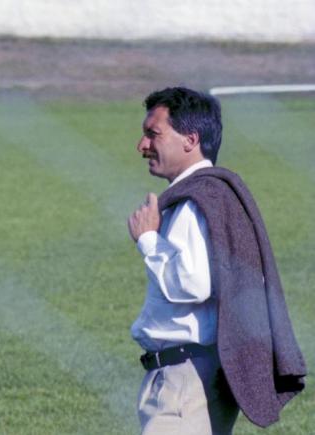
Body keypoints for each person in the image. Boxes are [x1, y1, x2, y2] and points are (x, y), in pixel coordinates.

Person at [127, 86, 306, 434]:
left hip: (186, 379)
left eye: (153, 134)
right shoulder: (215, 193)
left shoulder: (196, 203)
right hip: (196, 373)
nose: (142, 145)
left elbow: (193, 284)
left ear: (190, 140)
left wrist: (149, 240)